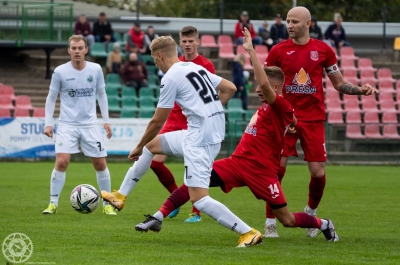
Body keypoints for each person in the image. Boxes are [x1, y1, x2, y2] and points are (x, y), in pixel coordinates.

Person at [133, 28, 340, 243]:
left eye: (264, 87)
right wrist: (294, 124)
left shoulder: (280, 105)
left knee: (286, 220)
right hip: (238, 163)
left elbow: (278, 101)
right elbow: (291, 119)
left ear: (276, 87)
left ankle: (324, 224)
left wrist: (250, 51)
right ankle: (158, 217)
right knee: (194, 182)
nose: (258, 89)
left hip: (262, 172)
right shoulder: (270, 108)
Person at [101, 36, 263, 247]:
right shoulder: (194, 68)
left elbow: (157, 120)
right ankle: (119, 196)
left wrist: (138, 146)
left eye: (154, 60)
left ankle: (248, 232)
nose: (156, 64)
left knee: (199, 199)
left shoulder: (171, 77)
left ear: (159, 55)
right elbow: (230, 87)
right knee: (152, 147)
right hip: (200, 133)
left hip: (200, 141)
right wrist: (212, 109)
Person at [264, 6, 377, 237]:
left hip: (313, 119)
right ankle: (270, 221)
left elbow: (338, 82)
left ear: (308, 23)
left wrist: (359, 90)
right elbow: (267, 85)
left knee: (317, 172)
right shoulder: (278, 51)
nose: (290, 25)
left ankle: (311, 213)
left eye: (295, 21)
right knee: (276, 169)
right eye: (287, 21)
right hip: (285, 117)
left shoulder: (323, 50)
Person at [42, 35, 116, 216]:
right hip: (67, 124)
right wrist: (48, 123)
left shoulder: (96, 69)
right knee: (61, 161)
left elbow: (102, 95)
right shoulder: (60, 72)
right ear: (69, 50)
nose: (77, 51)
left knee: (99, 163)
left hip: (90, 125)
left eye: (80, 48)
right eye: (73, 48)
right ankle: (52, 204)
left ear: (86, 50)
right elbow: (51, 98)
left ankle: (107, 204)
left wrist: (106, 120)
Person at [149, 26, 217, 223]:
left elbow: (213, 95)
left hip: (194, 123)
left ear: (198, 42)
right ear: (180, 43)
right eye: (184, 41)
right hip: (174, 119)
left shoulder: (205, 65)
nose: (187, 44)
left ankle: (196, 212)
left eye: (191, 41)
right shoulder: (174, 64)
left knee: (192, 168)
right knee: (155, 162)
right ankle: (175, 201)